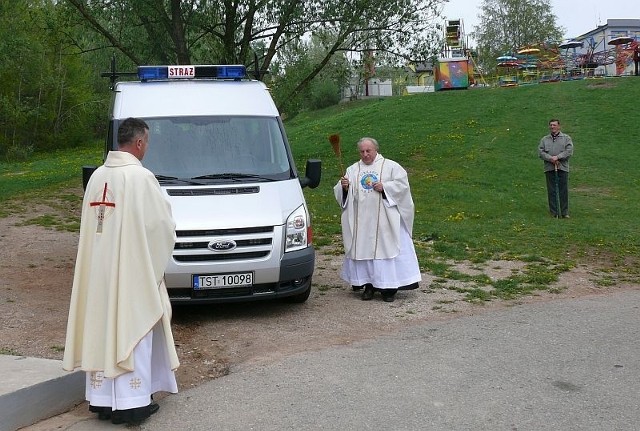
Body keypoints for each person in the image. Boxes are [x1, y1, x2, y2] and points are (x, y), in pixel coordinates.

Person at [63, 118, 179, 425]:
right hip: (130, 271)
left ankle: (102, 401)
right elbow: (161, 226)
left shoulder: (97, 177)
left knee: (101, 327)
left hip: (98, 272)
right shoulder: (141, 178)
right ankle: (132, 403)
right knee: (133, 325)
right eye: (147, 144)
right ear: (140, 143)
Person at [334, 137, 421, 302]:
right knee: (365, 252)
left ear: (376, 150)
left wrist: (386, 187)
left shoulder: (391, 167)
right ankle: (369, 286)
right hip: (362, 221)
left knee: (385, 252)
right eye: (362, 151)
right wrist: (344, 187)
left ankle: (389, 289)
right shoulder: (353, 169)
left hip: (385, 221)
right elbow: (342, 193)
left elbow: (403, 187)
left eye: (369, 151)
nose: (365, 155)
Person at [538, 119, 573, 219]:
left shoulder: (566, 138)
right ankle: (554, 212)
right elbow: (541, 152)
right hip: (549, 168)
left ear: (559, 126)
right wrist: (551, 159)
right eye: (551, 125)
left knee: (563, 190)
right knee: (551, 190)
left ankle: (564, 212)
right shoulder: (544, 139)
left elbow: (569, 151)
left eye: (554, 125)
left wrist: (558, 157)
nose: (552, 127)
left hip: (562, 168)